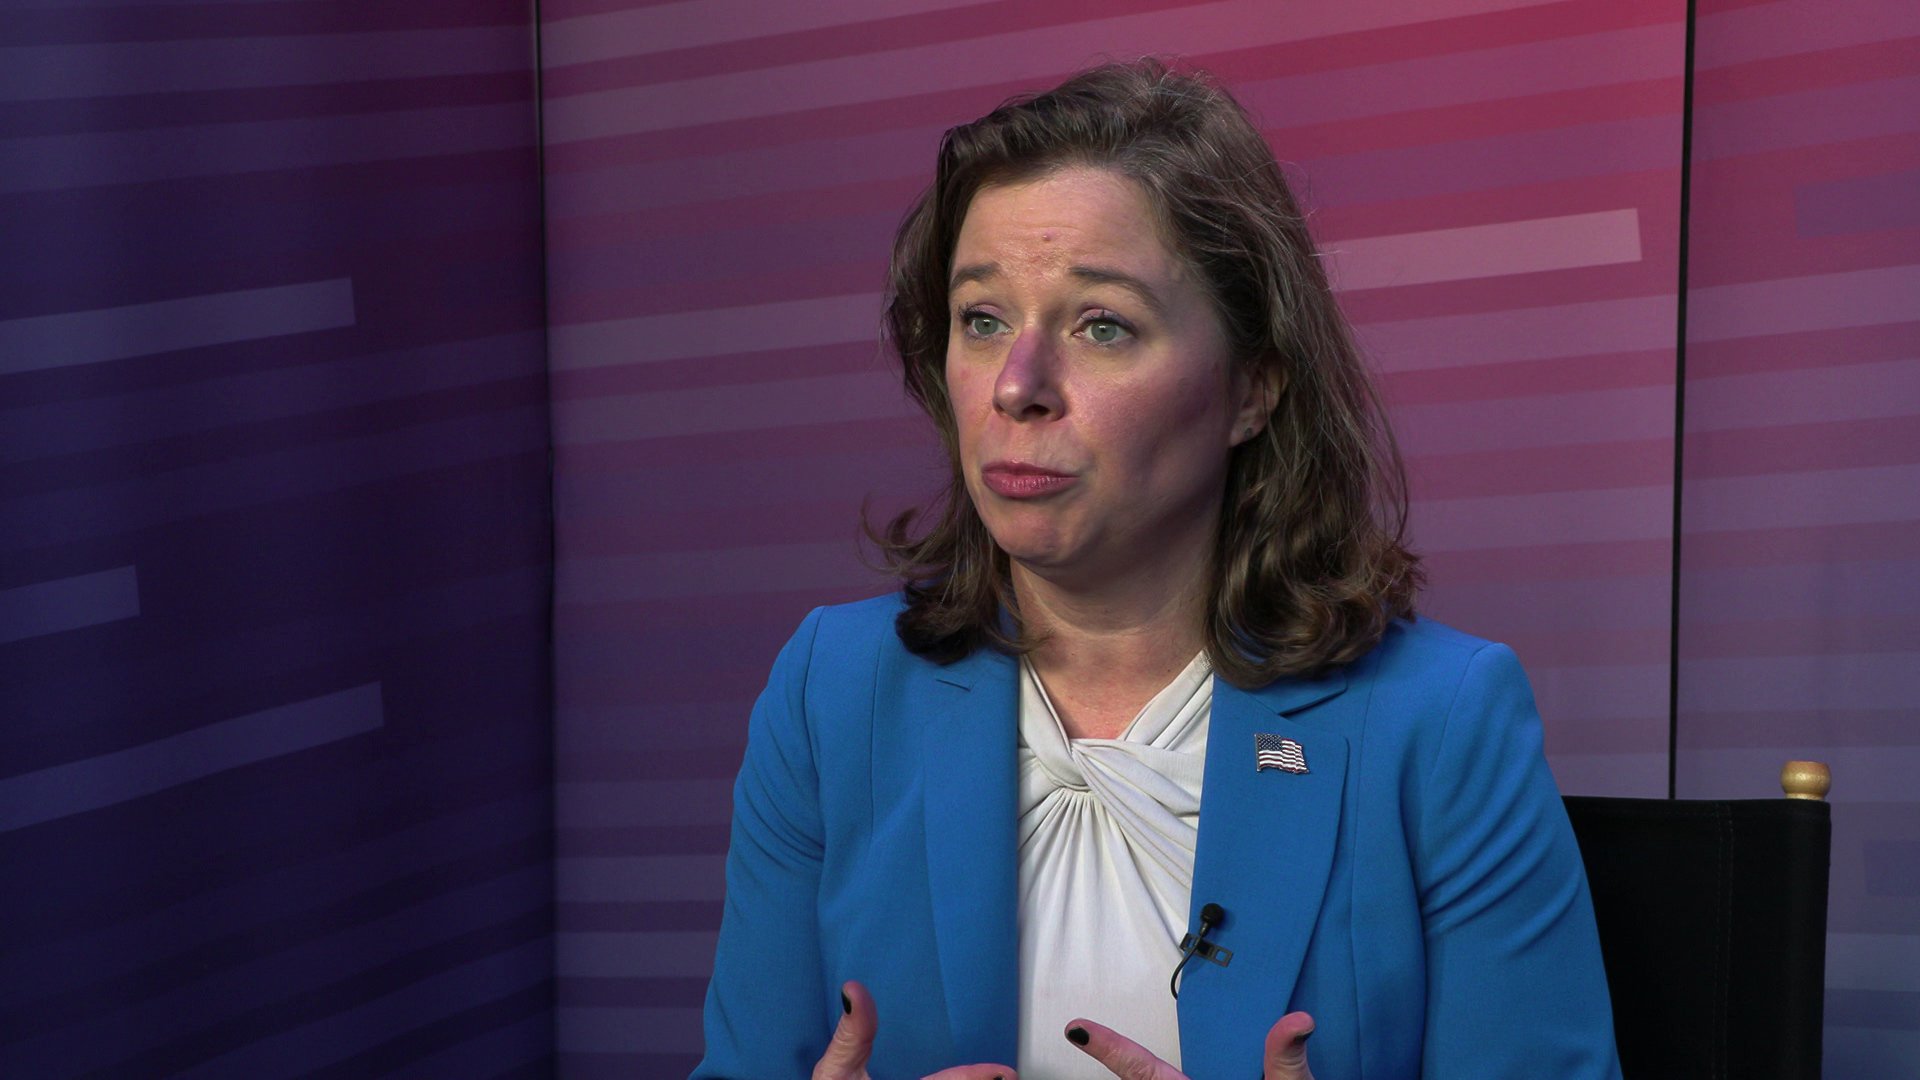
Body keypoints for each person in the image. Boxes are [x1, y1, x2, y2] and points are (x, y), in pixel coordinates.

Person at [690, 60, 1620, 1080]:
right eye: (982, 319)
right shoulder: (834, 691)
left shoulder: (1440, 725)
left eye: (1102, 326)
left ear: (1252, 388)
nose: (1018, 386)